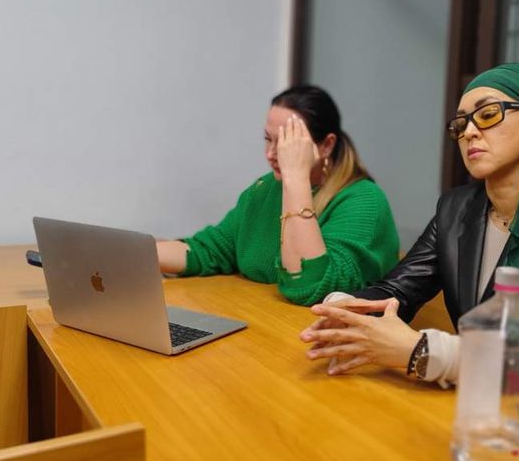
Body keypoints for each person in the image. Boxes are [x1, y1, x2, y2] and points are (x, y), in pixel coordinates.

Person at [299, 63, 519, 421]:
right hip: (480, 406)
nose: (469, 132)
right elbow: (397, 291)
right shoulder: (455, 209)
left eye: (488, 115)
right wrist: (341, 310)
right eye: (460, 124)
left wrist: (423, 351)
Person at [157, 85, 400, 306]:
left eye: (286, 143)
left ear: (326, 145)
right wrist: (142, 256)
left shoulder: (364, 199)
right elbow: (211, 250)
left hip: (314, 332)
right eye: (268, 139)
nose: (271, 154)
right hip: (263, 322)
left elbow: (308, 286)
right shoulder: (266, 188)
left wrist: (296, 177)